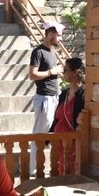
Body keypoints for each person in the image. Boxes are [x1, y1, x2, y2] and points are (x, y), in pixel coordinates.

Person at [28, 20, 65, 176]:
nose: (60, 39)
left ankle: (40, 167)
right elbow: (32, 75)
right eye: (58, 35)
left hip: (53, 97)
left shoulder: (51, 50)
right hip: (44, 98)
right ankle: (32, 169)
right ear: (50, 34)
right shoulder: (38, 52)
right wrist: (51, 72)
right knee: (39, 134)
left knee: (49, 133)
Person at [49, 57, 86, 175]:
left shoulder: (83, 93)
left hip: (74, 142)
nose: (63, 72)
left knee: (72, 169)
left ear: (75, 72)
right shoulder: (64, 93)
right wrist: (48, 136)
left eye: (66, 70)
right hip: (60, 141)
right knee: (61, 169)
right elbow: (57, 117)